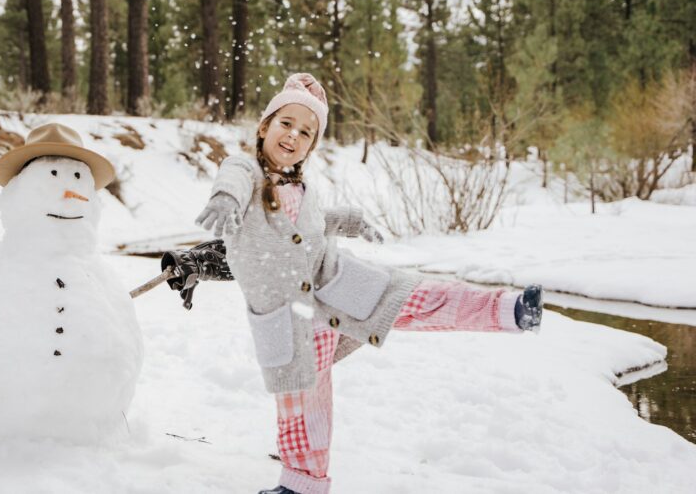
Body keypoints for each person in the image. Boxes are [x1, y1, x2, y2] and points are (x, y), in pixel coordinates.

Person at [181, 74, 542, 494]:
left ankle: (510, 309)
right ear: (264, 126)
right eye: (286, 123)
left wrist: (351, 220)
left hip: (340, 283)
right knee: (302, 403)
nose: (293, 136)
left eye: (306, 132)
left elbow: (312, 225)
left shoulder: (302, 185)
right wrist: (223, 198)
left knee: (415, 296)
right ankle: (301, 484)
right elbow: (234, 177)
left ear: (311, 146)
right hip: (290, 318)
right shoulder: (245, 172)